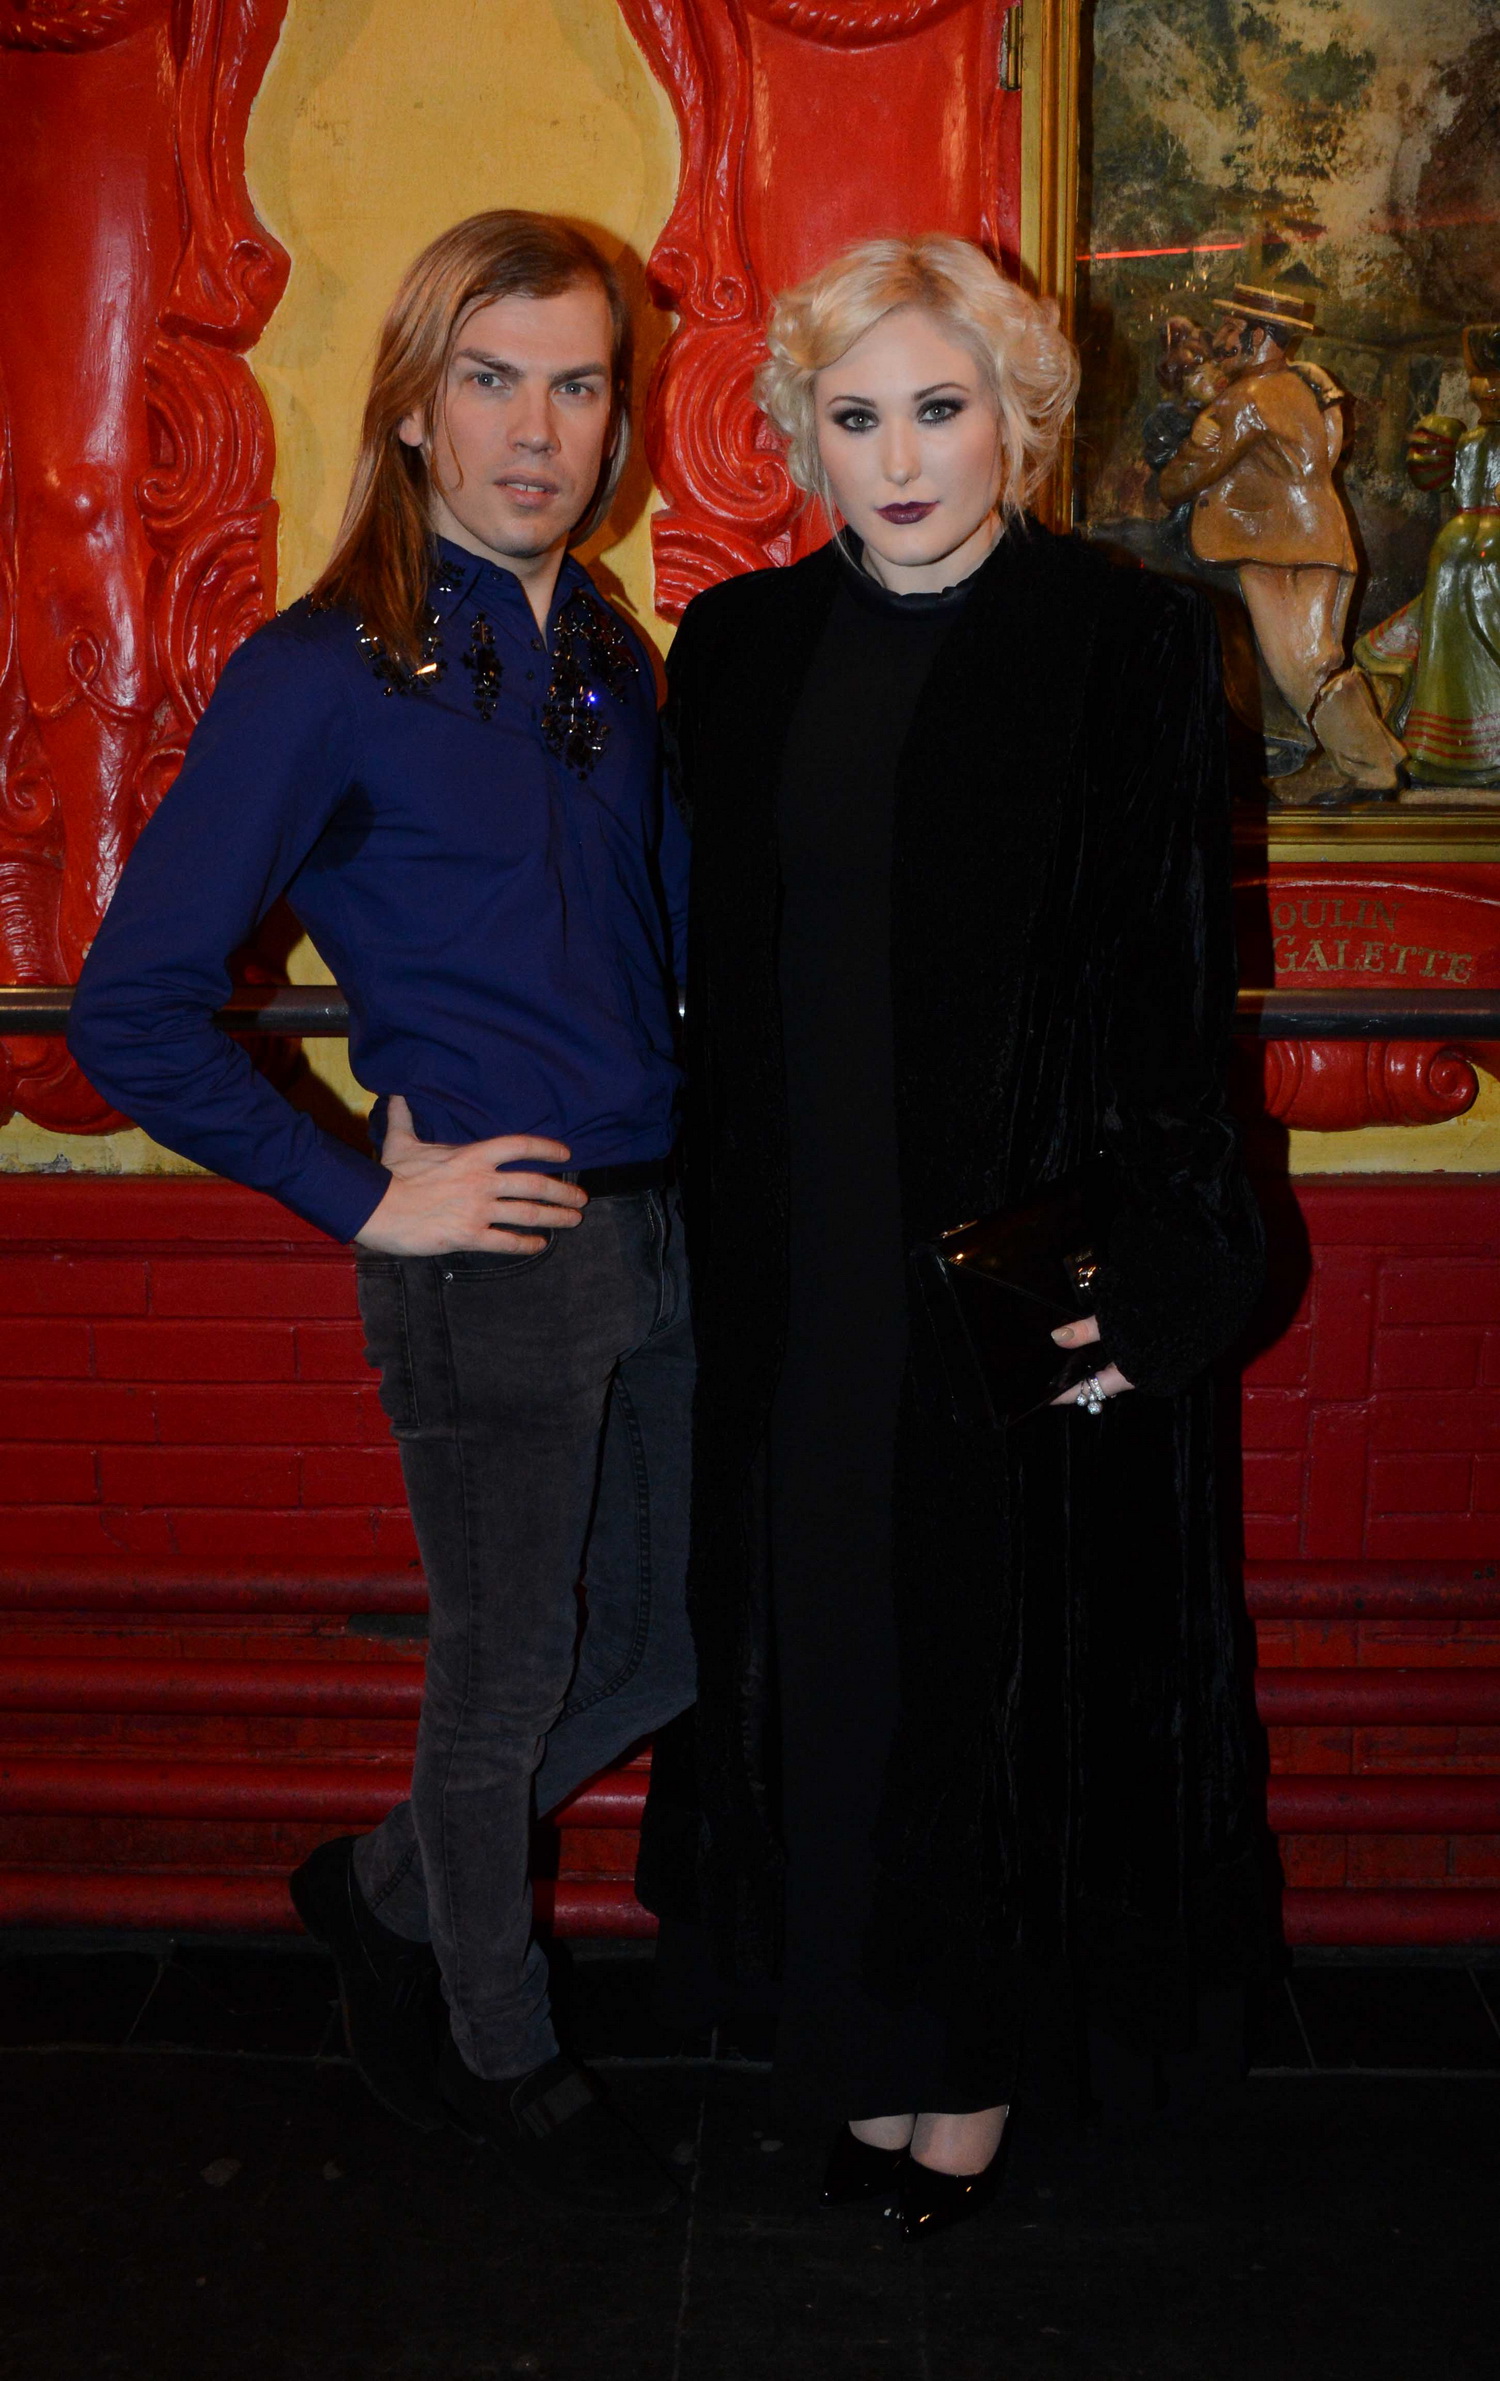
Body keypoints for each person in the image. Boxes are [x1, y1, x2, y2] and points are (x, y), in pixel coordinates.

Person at [640, 235, 1267, 2239]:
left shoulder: (1128, 642)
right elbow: (689, 964)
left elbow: (1177, 987)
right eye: (858, 415)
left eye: (942, 406)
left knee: (990, 1672)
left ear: (1019, 417)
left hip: (1012, 1274)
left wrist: (1158, 1285)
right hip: (797, 1264)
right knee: (830, 1650)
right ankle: (864, 2035)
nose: (901, 457)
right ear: (800, 437)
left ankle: (973, 2059)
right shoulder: (737, 648)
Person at [67, 212, 693, 2216]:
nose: (537, 429)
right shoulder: (318, 671)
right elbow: (130, 1008)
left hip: (665, 1226)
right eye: (491, 380)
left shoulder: (608, 654)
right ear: (414, 407)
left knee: (670, 1641)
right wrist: (362, 1193)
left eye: (576, 383)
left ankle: (386, 1880)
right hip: (486, 1249)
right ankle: (497, 2047)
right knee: (502, 1677)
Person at [1157, 283, 1404, 805]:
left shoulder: (1249, 398)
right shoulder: (1294, 386)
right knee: (1315, 661)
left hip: (1281, 551)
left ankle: (1370, 769)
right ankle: (1375, 755)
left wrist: (1184, 452)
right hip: (1313, 541)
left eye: (1231, 328)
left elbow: (1183, 480)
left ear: (1258, 336)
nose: (1220, 338)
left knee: (1301, 667)